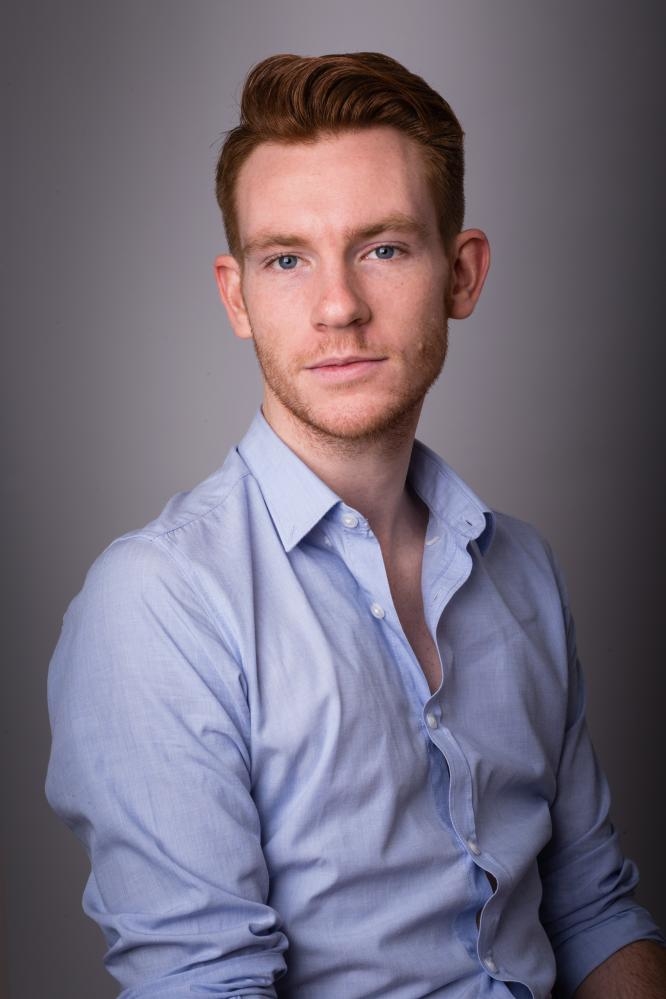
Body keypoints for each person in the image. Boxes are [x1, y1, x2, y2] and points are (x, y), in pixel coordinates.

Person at [46, 52, 665, 998]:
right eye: (286, 259)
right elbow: (204, 981)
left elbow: (590, 912)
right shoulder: (159, 606)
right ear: (236, 295)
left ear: (463, 274)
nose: (338, 306)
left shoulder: (523, 570)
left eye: (383, 248)